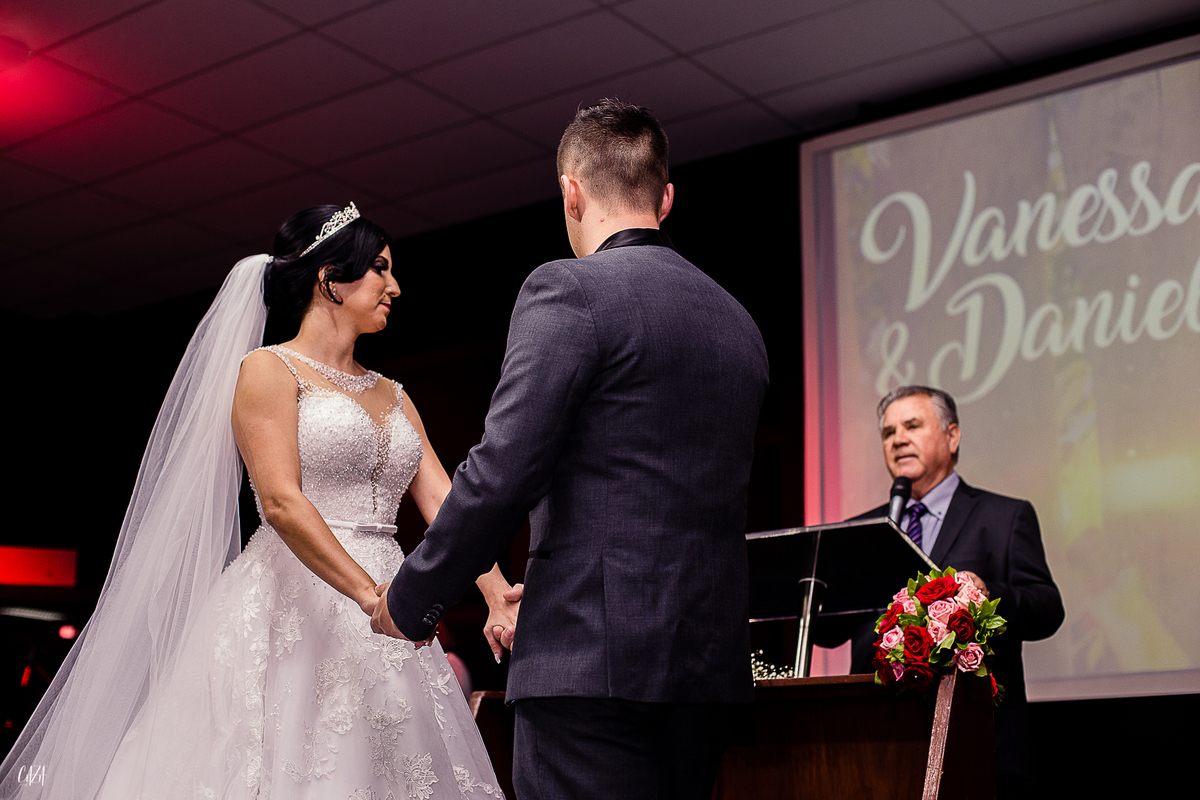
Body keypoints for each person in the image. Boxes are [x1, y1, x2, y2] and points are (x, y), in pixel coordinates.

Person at [0, 204, 511, 799]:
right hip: (300, 595)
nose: (394, 286)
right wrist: (374, 597)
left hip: (394, 599)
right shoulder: (269, 370)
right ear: (330, 280)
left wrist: (493, 588)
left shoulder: (394, 394)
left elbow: (444, 501)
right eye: (379, 269)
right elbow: (281, 503)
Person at [370, 98, 770, 800]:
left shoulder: (570, 289)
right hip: (706, 668)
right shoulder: (737, 322)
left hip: (592, 660)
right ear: (666, 198)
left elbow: (502, 472)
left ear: (571, 191)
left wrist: (413, 599)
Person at [854, 385, 1064, 796]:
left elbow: (1046, 607)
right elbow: (830, 624)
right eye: (888, 432)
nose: (897, 439)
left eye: (912, 425)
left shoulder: (1004, 516)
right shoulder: (863, 532)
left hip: (980, 743)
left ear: (952, 436)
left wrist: (988, 592)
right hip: (877, 747)